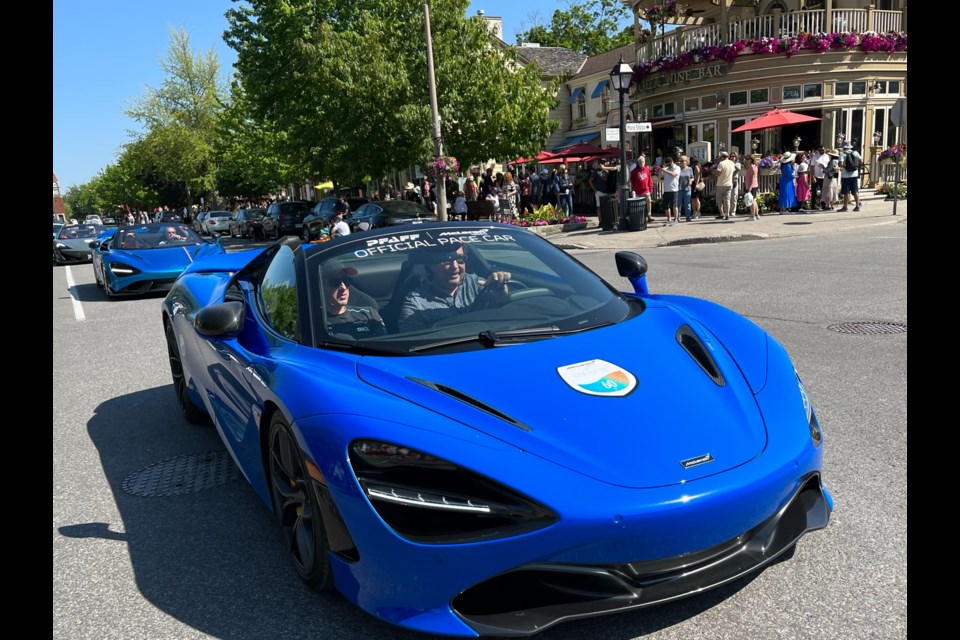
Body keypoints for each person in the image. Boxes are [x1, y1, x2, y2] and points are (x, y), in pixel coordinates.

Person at [398, 243, 511, 332]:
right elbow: (413, 348)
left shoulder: (477, 283)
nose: (455, 267)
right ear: (431, 265)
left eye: (460, 259)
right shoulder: (415, 305)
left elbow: (503, 312)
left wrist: (500, 290)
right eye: (447, 260)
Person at [322, 259, 386, 339]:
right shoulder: (315, 321)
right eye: (335, 282)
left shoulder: (368, 314)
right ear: (322, 286)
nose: (344, 288)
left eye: (347, 281)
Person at [837, 142, 863, 212]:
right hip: (854, 175)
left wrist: (841, 165)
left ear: (843, 147)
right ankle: (857, 206)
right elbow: (861, 161)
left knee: (846, 192)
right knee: (855, 191)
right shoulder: (856, 153)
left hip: (845, 176)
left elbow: (841, 164)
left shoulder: (842, 154)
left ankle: (845, 207)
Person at [629, 154, 655, 223]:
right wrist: (633, 190)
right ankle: (640, 217)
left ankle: (649, 215)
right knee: (639, 204)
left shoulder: (647, 169)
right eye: (640, 162)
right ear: (638, 162)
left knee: (649, 201)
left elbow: (649, 179)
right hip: (638, 190)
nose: (642, 163)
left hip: (646, 189)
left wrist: (651, 187)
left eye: (643, 161)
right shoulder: (634, 171)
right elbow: (632, 181)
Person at [714, 151, 735, 220]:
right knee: (727, 200)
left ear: (722, 157)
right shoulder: (732, 163)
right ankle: (727, 214)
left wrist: (713, 171)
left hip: (721, 184)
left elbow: (718, 173)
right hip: (729, 183)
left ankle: (721, 214)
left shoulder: (721, 163)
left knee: (719, 200)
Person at [660, 156, 680, 225]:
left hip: (674, 189)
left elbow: (673, 174)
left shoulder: (677, 168)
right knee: (666, 206)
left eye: (669, 164)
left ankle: (676, 220)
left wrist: (664, 170)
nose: (668, 165)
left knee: (674, 206)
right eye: (667, 164)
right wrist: (660, 170)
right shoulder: (666, 168)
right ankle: (669, 219)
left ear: (672, 162)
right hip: (666, 190)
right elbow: (660, 177)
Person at [742, 155, 760, 221]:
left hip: (751, 185)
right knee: (754, 200)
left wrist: (750, 187)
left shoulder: (752, 166)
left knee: (752, 201)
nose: (746, 160)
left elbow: (753, 177)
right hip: (754, 185)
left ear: (750, 159)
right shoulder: (754, 166)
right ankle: (756, 215)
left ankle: (753, 216)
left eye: (747, 159)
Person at [677, 155, 694, 222]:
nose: (681, 162)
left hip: (687, 188)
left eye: (682, 161)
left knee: (687, 203)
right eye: (680, 161)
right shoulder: (678, 169)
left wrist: (691, 180)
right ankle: (678, 216)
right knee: (678, 203)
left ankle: (688, 216)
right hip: (679, 188)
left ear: (686, 162)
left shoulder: (689, 169)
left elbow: (692, 177)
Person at [810, 145, 827, 209]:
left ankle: (823, 204)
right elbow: (812, 167)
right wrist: (812, 176)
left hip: (824, 176)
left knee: (824, 191)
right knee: (814, 191)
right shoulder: (815, 157)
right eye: (820, 150)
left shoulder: (827, 157)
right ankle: (813, 205)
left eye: (822, 150)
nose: (821, 151)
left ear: (825, 150)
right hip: (816, 176)